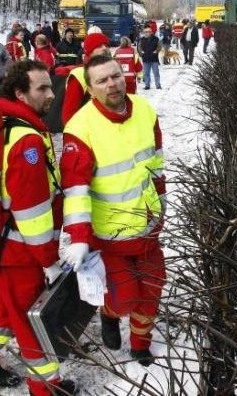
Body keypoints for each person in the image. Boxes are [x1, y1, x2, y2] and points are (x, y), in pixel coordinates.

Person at [0, 59, 75, 395]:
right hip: (16, 253)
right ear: (19, 93)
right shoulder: (25, 139)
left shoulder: (2, 122)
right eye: (41, 88)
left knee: (6, 309)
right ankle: (46, 387)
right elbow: (32, 212)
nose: (50, 94)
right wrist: (48, 261)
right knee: (28, 321)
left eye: (48, 85)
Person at [61, 54, 166, 367]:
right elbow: (76, 189)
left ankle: (140, 344)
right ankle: (109, 315)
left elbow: (157, 162)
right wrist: (79, 237)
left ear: (124, 74)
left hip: (148, 226)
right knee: (124, 298)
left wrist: (160, 202)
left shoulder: (145, 110)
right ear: (90, 89)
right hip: (110, 234)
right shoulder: (80, 127)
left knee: (151, 290)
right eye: (102, 80)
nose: (112, 84)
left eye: (115, 75)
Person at [61, 32, 111, 125]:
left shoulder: (112, 71)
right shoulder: (80, 74)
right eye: (99, 45)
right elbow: (69, 114)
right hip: (88, 132)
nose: (105, 48)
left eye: (106, 45)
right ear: (90, 51)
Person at [138, 25, 162, 90]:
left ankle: (158, 85)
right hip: (145, 58)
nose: (146, 33)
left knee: (156, 73)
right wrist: (141, 52)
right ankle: (147, 85)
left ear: (151, 32)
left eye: (147, 32)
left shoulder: (156, 39)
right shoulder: (142, 39)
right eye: (145, 32)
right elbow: (139, 47)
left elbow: (159, 46)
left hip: (154, 58)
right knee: (146, 73)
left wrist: (156, 51)